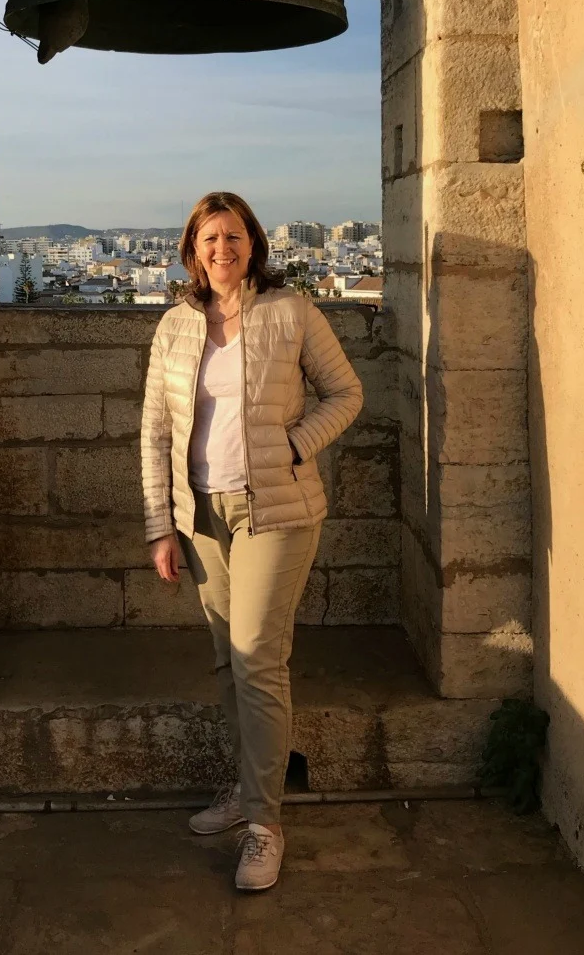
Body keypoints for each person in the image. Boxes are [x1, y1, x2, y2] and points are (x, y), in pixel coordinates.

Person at [140, 192, 363, 891]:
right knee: (224, 661)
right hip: (202, 512)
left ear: (253, 244)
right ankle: (246, 788)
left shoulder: (290, 313)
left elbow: (346, 393)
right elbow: (155, 431)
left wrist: (296, 445)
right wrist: (160, 525)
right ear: (192, 248)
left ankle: (265, 825)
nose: (222, 250)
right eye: (210, 239)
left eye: (233, 237)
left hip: (278, 508)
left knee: (257, 657)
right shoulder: (176, 325)